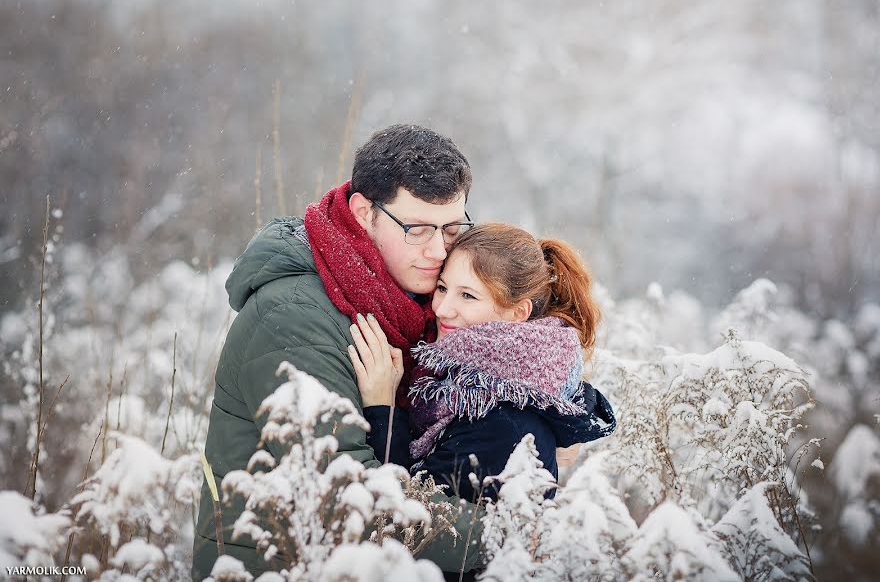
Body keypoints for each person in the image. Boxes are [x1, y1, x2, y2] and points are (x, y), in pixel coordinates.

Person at [192, 124, 484, 579]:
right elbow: (349, 501)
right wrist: (509, 532)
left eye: (451, 228)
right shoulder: (292, 318)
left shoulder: (418, 305)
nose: (437, 249)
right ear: (364, 213)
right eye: (418, 229)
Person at [349, 223, 616, 506]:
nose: (441, 308)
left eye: (467, 295)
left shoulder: (502, 425)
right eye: (442, 288)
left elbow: (407, 521)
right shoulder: (490, 386)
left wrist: (382, 408)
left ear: (517, 312)